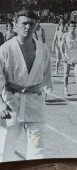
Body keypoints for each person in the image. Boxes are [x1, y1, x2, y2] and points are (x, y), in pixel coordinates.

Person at [0, 9, 53, 161]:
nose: (28, 27)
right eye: (24, 23)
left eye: (32, 23)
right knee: (5, 149)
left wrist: (43, 92)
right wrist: (1, 104)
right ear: (15, 25)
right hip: (11, 105)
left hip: (35, 105)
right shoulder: (5, 49)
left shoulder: (43, 49)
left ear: (36, 26)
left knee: (37, 150)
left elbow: (47, 75)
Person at [60, 20, 77, 99]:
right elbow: (61, 47)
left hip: (75, 57)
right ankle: (65, 89)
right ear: (68, 27)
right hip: (67, 57)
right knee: (66, 74)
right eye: (71, 26)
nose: (73, 28)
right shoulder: (65, 35)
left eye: (74, 26)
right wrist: (63, 56)